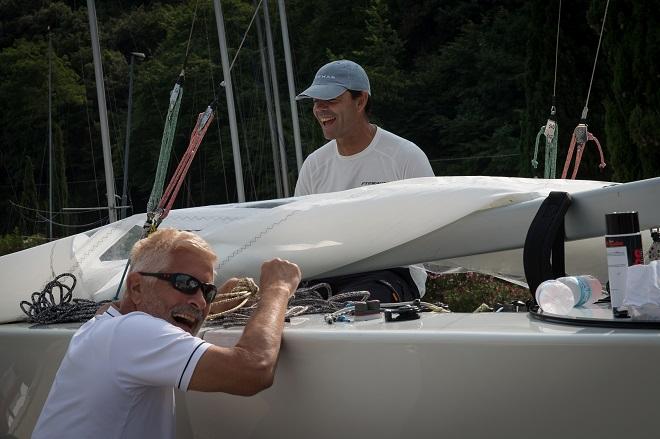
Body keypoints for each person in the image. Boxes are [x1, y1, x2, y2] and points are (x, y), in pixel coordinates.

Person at [32, 228, 301, 439]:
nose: (200, 301)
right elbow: (253, 370)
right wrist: (277, 289)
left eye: (206, 291)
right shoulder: (132, 332)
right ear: (136, 287)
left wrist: (218, 298)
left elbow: (168, 320)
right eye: (185, 283)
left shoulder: (104, 324)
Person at [294, 59, 434, 302]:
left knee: (348, 311)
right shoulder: (314, 165)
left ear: (361, 101)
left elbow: (433, 230)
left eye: (331, 100)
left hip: (391, 273)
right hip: (326, 273)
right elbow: (297, 233)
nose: (320, 109)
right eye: (317, 101)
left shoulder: (404, 157)